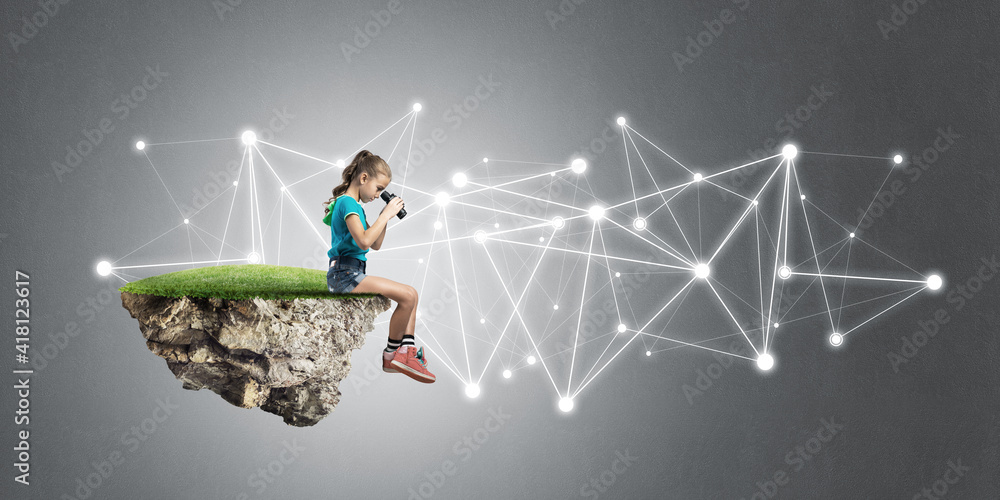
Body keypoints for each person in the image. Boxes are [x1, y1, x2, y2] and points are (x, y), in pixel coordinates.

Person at [321, 149, 436, 383]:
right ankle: (394, 354)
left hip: (352, 273)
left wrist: (386, 215)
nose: (377, 194)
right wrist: (384, 216)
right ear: (364, 178)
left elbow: (376, 244)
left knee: (411, 293)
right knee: (406, 295)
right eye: (378, 189)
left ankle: (404, 352)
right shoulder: (346, 203)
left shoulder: (356, 208)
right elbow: (364, 240)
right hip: (343, 275)